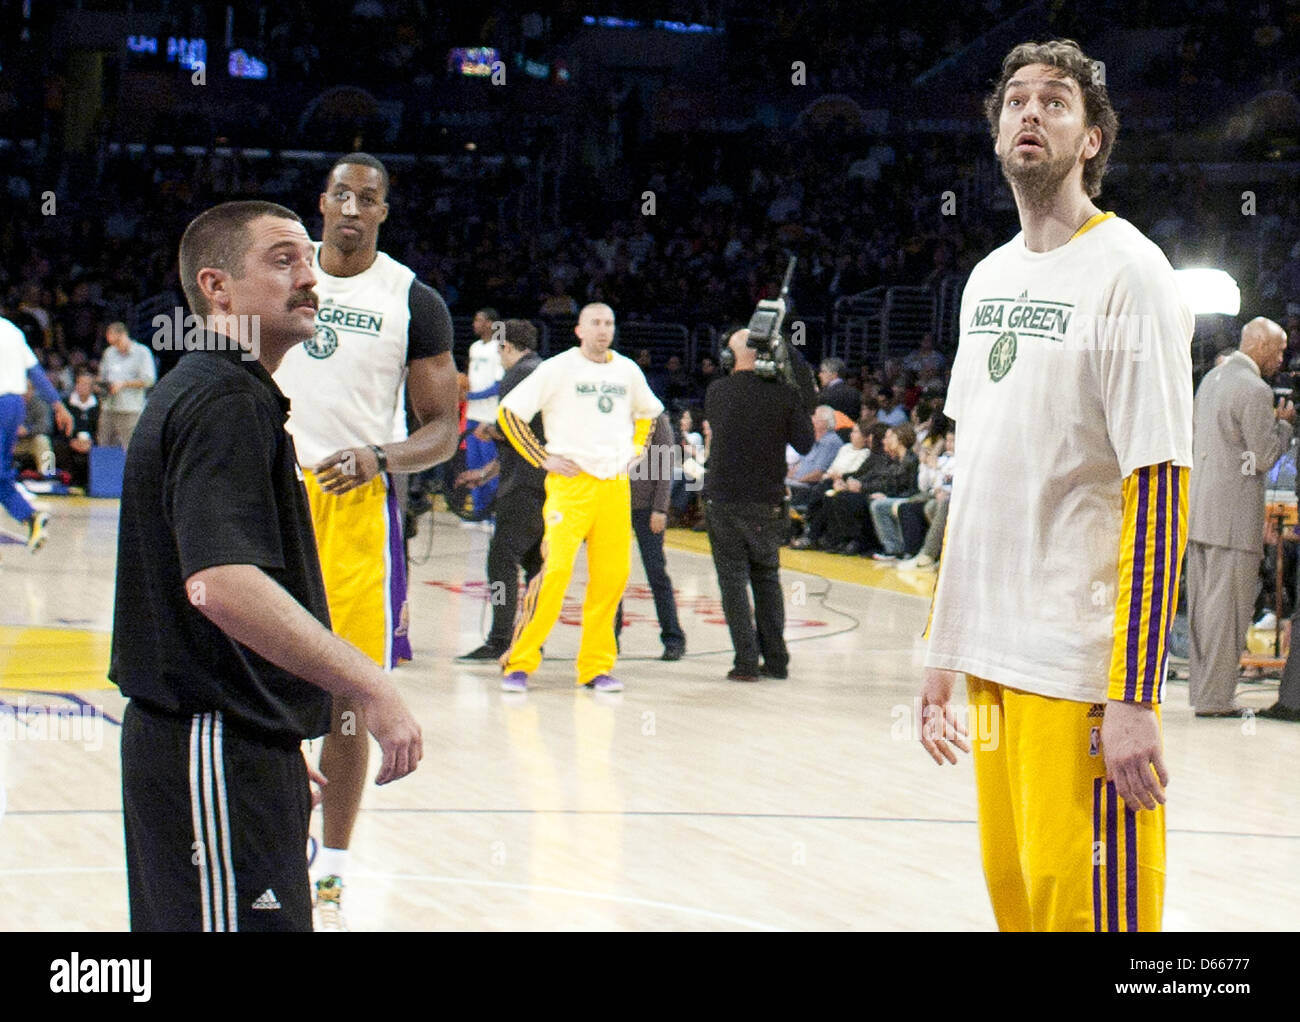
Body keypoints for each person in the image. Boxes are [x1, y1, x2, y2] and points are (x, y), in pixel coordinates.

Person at [919, 39, 1193, 932]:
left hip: (1078, 671)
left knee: (1095, 926)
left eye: (1056, 102)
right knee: (1022, 910)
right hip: (993, 662)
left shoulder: (1132, 274)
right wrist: (939, 649)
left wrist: (1135, 693)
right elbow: (978, 476)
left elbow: (1159, 495)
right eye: (1016, 101)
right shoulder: (988, 279)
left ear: (1091, 142)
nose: (1030, 113)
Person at [109, 200, 423, 932]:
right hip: (209, 743)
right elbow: (221, 584)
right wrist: (368, 681)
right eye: (283, 261)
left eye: (308, 261)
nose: (309, 278)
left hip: (229, 746)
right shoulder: (223, 399)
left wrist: (270, 736)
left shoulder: (226, 390)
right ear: (217, 289)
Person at [273, 153, 458, 928]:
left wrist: (379, 456)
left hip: (355, 509)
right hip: (268, 494)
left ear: (384, 211)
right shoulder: (278, 277)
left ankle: (334, 870)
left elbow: (444, 431)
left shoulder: (413, 299)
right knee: (256, 680)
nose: (353, 208)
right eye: (342, 194)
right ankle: (270, 839)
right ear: (322, 203)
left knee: (348, 693)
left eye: (369, 199)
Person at [495, 302, 663, 693]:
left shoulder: (627, 370)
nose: (603, 330)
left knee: (611, 579)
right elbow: (509, 413)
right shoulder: (557, 368)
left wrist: (637, 449)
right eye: (595, 323)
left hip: (613, 486)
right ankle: (519, 661)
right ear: (579, 330)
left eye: (609, 323)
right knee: (554, 574)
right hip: (571, 485)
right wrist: (542, 457)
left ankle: (595, 667)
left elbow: (650, 413)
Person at [1187, 317, 1294, 716]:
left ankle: (1203, 692)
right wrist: (1283, 428)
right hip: (1232, 519)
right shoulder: (1254, 389)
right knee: (1226, 612)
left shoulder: (1210, 380)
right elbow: (1263, 455)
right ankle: (1216, 700)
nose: (1281, 358)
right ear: (1260, 347)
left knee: (1202, 610)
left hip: (1200, 512)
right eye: (1279, 350)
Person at [704, 328, 815, 681]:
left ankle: (746, 662)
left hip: (724, 498)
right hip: (766, 501)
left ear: (729, 356)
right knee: (767, 578)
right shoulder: (784, 393)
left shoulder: (717, 392)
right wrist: (793, 382)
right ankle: (777, 660)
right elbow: (806, 443)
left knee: (733, 581)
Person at [456, 319, 546, 661]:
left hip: (523, 487)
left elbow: (510, 431)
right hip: (544, 484)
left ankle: (500, 638)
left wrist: (489, 430)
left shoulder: (517, 375)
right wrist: (485, 472)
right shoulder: (543, 370)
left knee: (500, 561)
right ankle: (531, 637)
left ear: (507, 347)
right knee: (535, 563)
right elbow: (527, 436)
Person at [616, 410, 687, 660]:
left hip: (647, 508)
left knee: (656, 573)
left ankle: (673, 637)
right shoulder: (614, 412)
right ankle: (609, 637)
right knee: (612, 575)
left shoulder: (655, 418)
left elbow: (665, 464)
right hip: (615, 503)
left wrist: (660, 508)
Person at [0, 316, 72, 549]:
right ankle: (31, 517)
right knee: (1, 474)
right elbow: (35, 372)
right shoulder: (11, 330)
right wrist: (58, 404)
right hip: (15, 406)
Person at [464, 307, 504, 519]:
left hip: (489, 417)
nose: (474, 324)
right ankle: (478, 511)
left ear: (490, 324)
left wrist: (472, 397)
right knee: (473, 463)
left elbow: (499, 384)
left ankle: (492, 511)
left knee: (490, 467)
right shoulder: (474, 348)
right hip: (473, 415)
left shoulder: (499, 347)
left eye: (479, 320)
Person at [96, 322, 156, 449]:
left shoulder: (142, 352)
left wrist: (123, 384)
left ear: (123, 335)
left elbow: (149, 380)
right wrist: (100, 385)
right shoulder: (109, 352)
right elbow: (102, 376)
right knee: (104, 445)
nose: (115, 346)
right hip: (109, 407)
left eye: (117, 342)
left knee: (131, 447)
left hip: (130, 409)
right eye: (112, 343)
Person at [785, 405, 843, 508]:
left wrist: (798, 480)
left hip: (808, 487)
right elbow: (800, 464)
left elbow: (819, 473)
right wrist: (788, 476)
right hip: (796, 482)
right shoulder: (813, 440)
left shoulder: (831, 442)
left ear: (824, 422)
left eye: (815, 416)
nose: (811, 419)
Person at [54, 369, 100, 487]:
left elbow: (100, 430)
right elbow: (58, 428)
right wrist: (71, 441)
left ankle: (93, 484)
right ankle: (66, 480)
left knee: (101, 449)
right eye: (79, 383)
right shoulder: (65, 404)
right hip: (69, 442)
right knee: (58, 446)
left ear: (92, 387)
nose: (82, 387)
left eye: (86, 384)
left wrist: (92, 442)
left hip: (91, 444)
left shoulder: (100, 405)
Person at [817, 357, 862, 428]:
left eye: (823, 372)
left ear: (834, 374)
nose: (819, 375)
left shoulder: (824, 395)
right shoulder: (856, 393)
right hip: (850, 434)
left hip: (828, 435)